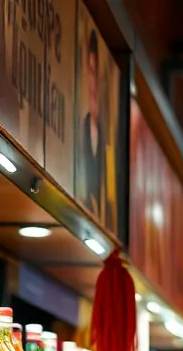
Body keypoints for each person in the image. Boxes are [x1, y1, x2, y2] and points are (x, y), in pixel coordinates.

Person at [77, 29, 103, 217]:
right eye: (90, 72)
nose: (92, 83)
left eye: (96, 74)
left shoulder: (106, 140)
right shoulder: (79, 131)